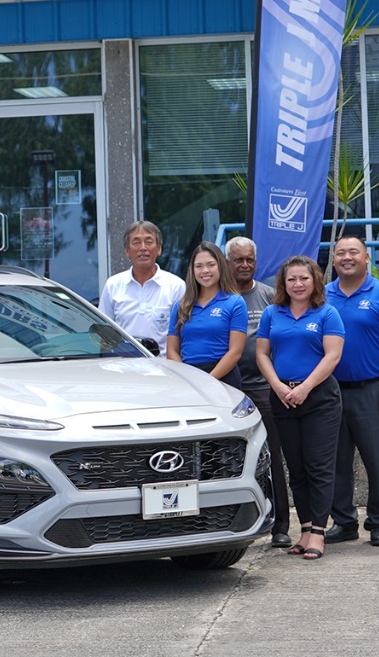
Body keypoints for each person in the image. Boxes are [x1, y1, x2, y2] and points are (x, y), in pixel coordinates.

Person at [255, 255, 345, 561]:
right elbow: (262, 354)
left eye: (303, 278)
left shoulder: (327, 313)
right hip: (282, 397)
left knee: (319, 466)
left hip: (319, 398)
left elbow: (332, 356)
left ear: (315, 281)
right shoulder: (271, 313)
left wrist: (305, 387)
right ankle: (305, 528)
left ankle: (318, 532)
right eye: (291, 279)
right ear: (283, 283)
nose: (297, 284)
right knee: (296, 467)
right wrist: (279, 387)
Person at [324, 235, 379, 548]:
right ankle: (344, 521)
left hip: (373, 390)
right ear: (334, 260)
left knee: (377, 461)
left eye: (354, 252)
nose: (347, 257)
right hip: (330, 392)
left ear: (366, 258)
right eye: (341, 253)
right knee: (335, 461)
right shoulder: (323, 295)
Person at [226, 236, 292, 548]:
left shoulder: (270, 296)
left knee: (273, 456)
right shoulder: (221, 297)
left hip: (264, 388)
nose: (244, 265)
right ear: (228, 262)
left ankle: (281, 524)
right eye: (238, 259)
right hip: (227, 391)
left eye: (249, 259)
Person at [97, 220, 185, 356]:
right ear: (127, 251)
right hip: (123, 368)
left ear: (159, 249)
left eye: (149, 242)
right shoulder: (113, 285)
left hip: (164, 370)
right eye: (136, 242)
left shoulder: (176, 286)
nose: (143, 248)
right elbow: (104, 334)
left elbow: (183, 334)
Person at [166, 240, 247, 389]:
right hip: (187, 379)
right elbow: (171, 350)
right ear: (192, 270)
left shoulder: (235, 302)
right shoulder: (181, 305)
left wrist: (207, 381)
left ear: (220, 267)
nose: (205, 271)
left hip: (223, 377)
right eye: (199, 266)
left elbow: (235, 351)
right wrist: (187, 379)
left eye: (211, 264)